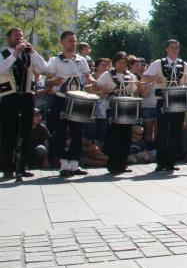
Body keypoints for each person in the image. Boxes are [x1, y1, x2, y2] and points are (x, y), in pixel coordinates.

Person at [142, 39, 187, 173]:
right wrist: (154, 79)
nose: (174, 50)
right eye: (172, 48)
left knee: (176, 132)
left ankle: (171, 162)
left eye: (176, 48)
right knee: (162, 132)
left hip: (178, 100)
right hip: (162, 100)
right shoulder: (157, 63)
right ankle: (161, 162)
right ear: (166, 49)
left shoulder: (184, 65)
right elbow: (144, 77)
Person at [0, 28, 48, 178]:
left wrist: (33, 51)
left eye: (21, 36)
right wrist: (15, 54)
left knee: (27, 132)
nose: (19, 38)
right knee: (9, 133)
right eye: (16, 36)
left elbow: (44, 68)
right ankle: (8, 167)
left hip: (27, 96)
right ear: (8, 39)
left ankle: (23, 167)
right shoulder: (4, 54)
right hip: (9, 96)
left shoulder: (28, 55)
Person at [44, 31, 93, 177]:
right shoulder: (55, 60)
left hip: (78, 100)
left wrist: (93, 81)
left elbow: (87, 76)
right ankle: (64, 164)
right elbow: (48, 81)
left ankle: (75, 164)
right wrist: (55, 82)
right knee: (60, 132)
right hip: (61, 99)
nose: (73, 43)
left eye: (74, 41)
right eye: (70, 41)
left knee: (78, 133)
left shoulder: (81, 60)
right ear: (62, 42)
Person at [93, 52, 139, 174]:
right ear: (114, 63)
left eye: (124, 63)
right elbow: (96, 88)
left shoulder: (131, 76)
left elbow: (133, 92)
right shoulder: (107, 75)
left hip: (126, 109)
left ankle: (123, 163)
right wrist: (105, 91)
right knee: (114, 137)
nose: (122, 65)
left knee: (126, 137)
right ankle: (113, 164)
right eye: (119, 62)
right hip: (112, 108)